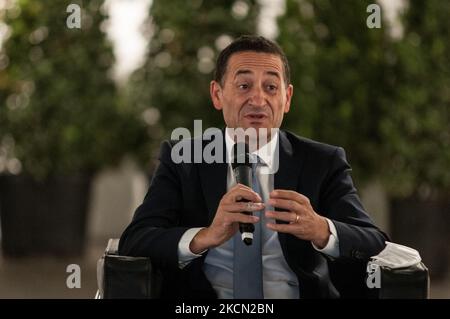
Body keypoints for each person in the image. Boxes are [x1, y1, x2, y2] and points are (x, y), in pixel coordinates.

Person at [119, 35, 388, 299]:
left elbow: (371, 239)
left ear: (287, 98)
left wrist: (320, 229)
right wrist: (206, 236)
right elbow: (136, 239)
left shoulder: (323, 161)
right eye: (244, 86)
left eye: (271, 88)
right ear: (217, 94)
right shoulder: (183, 159)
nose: (258, 100)